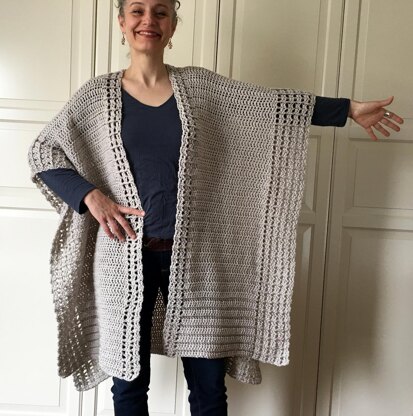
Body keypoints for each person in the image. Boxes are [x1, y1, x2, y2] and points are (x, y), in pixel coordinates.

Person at [28, 0, 404, 415]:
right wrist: (90, 196)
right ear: (121, 21)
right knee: (128, 388)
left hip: (197, 260)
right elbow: (44, 151)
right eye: (137, 10)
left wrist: (347, 110)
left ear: (173, 26)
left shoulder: (200, 88)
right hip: (121, 256)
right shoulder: (97, 96)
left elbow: (273, 106)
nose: (149, 20)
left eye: (161, 12)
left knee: (208, 388)